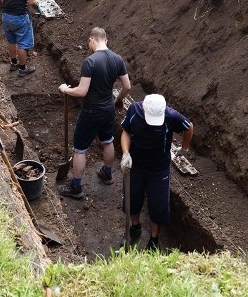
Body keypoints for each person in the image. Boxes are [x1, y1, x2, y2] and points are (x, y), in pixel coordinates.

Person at [58, 27, 131, 199]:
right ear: (106, 40)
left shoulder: (90, 62)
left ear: (91, 40)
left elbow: (82, 91)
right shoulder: (118, 59)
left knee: (80, 149)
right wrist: (118, 100)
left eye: (88, 43)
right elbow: (127, 86)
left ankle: (76, 187)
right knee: (107, 141)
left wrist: (65, 90)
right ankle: (107, 173)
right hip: (108, 109)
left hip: (91, 111)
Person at [120, 94, 193, 251]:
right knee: (132, 200)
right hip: (136, 165)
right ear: (144, 108)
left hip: (159, 169)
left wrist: (184, 148)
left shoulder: (171, 115)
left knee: (158, 205)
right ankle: (135, 227)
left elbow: (189, 126)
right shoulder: (134, 110)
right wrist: (126, 153)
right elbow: (125, 131)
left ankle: (154, 240)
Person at [1, 0, 38, 77]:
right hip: (20, 17)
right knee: (23, 44)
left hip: (6, 16)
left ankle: (13, 64)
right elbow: (32, 1)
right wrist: (38, 8)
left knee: (11, 41)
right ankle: (22, 69)